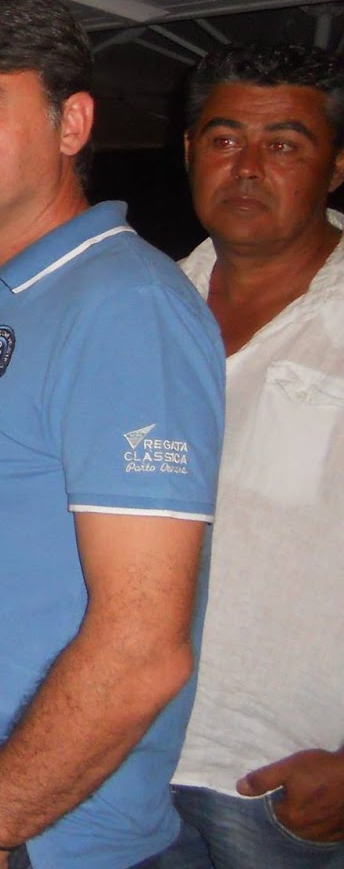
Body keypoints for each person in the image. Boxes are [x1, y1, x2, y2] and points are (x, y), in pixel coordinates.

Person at [0, 0, 226, 869]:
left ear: (73, 125)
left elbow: (142, 648)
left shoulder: (125, 307)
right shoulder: (6, 290)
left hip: (31, 832)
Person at [162, 45, 344, 869]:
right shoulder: (148, 304)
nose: (247, 167)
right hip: (125, 754)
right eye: (225, 139)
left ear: (336, 167)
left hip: (284, 783)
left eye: (285, 145)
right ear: (190, 152)